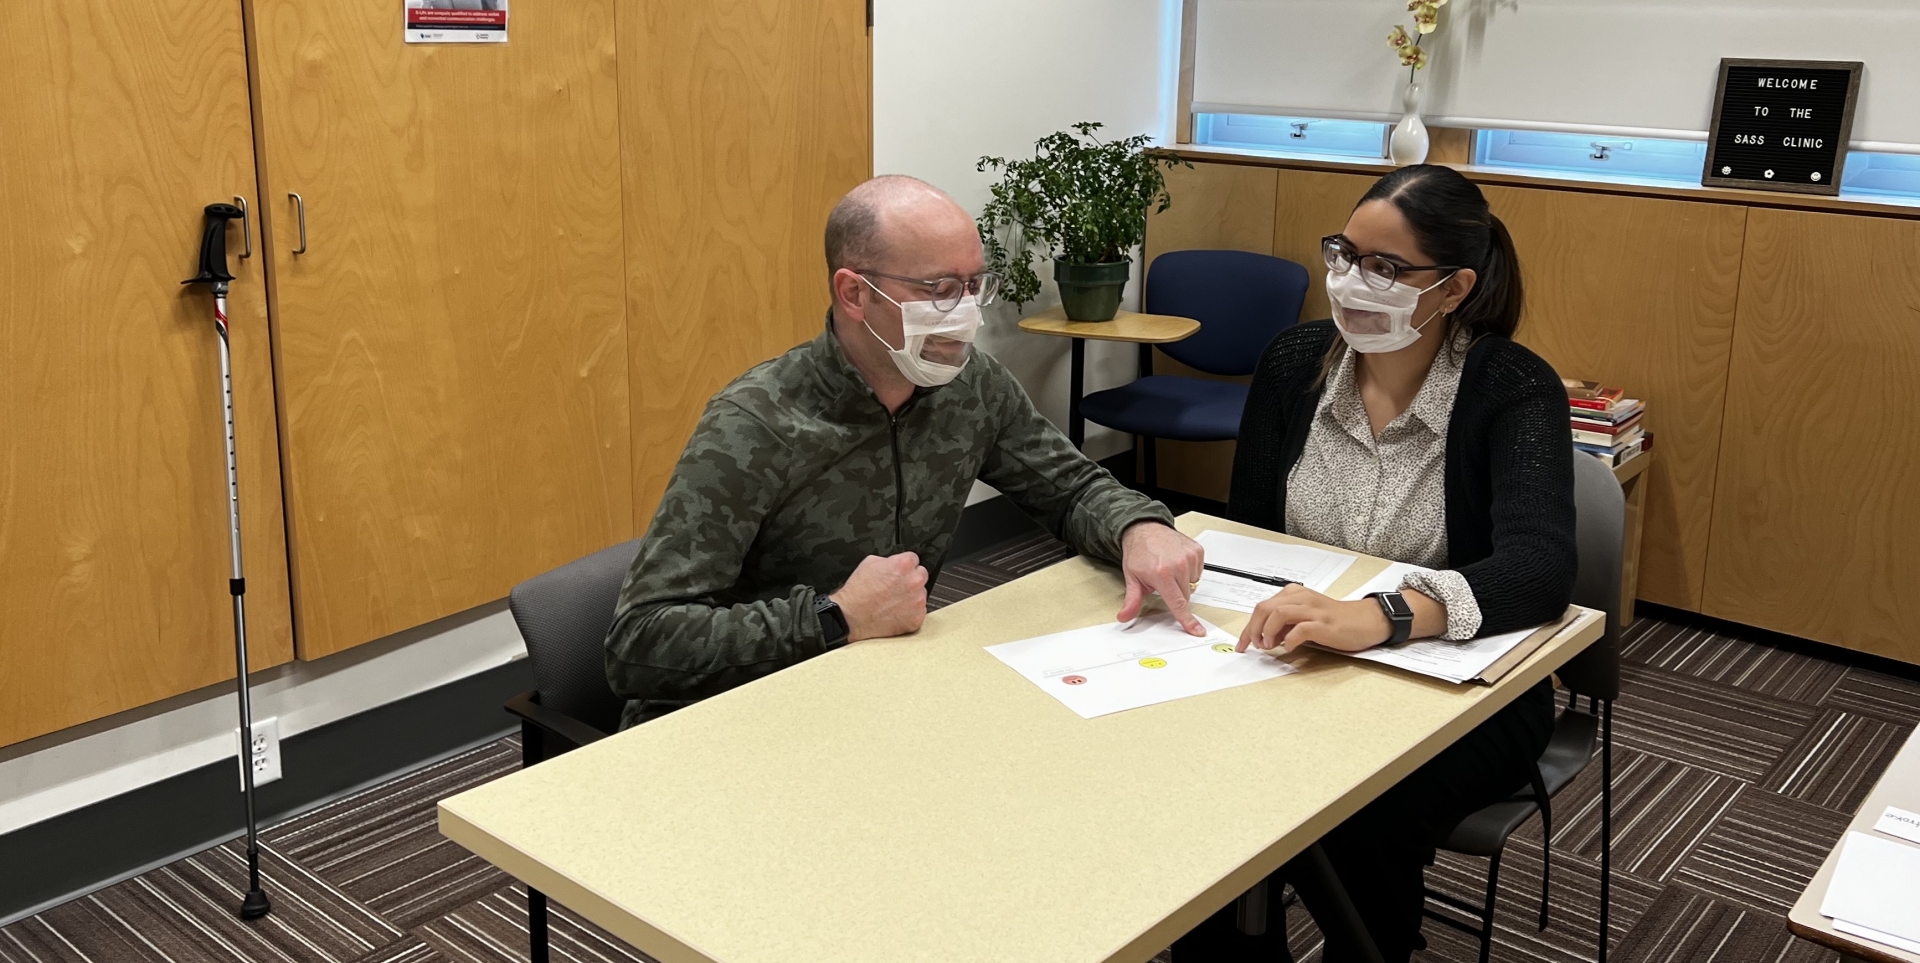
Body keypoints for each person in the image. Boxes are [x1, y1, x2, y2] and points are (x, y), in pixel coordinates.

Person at [606, 175, 1207, 729]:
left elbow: (1072, 488)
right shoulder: (757, 423)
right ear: (854, 293)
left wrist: (1139, 527)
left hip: (872, 692)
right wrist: (835, 616)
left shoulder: (971, 387)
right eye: (939, 289)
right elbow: (640, 642)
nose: (966, 313)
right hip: (735, 716)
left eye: (974, 285)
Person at [1174, 165, 1576, 963]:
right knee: (1196, 777)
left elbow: (1539, 569)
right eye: (1345, 254)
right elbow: (1253, 535)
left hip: (1468, 685)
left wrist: (1383, 616)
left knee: (1357, 811)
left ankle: (1375, 947)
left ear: (1455, 287)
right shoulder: (1293, 362)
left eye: (1388, 268)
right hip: (1308, 658)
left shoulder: (1510, 385)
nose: (1353, 281)